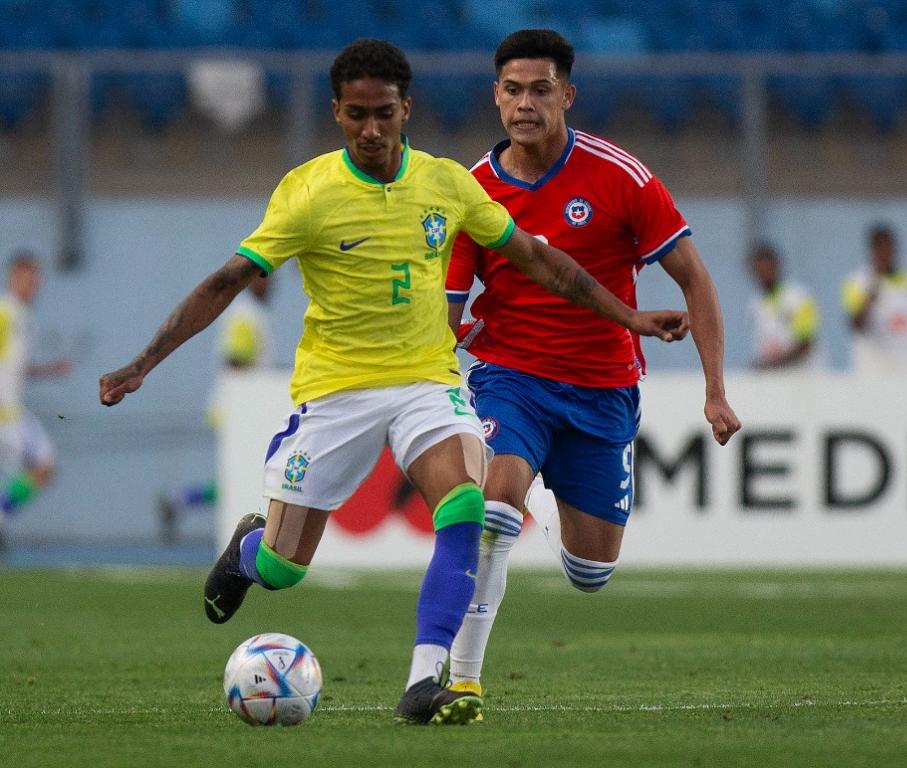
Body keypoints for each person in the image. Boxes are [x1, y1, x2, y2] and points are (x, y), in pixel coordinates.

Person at [98, 38, 687, 726]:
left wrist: (629, 316)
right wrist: (144, 361)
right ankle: (248, 554)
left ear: (406, 108)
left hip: (426, 385)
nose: (371, 130)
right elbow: (227, 281)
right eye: (357, 115)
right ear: (337, 113)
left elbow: (539, 259)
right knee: (286, 567)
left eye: (384, 113)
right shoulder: (307, 191)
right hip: (337, 392)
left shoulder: (446, 184)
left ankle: (423, 682)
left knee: (466, 506)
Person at [444, 29, 742, 702]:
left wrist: (715, 391)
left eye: (540, 90)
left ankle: (542, 494)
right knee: (493, 511)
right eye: (513, 90)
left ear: (568, 96)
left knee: (590, 572)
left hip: (602, 388)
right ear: (496, 97)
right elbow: (448, 306)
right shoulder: (472, 192)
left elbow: (694, 279)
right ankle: (462, 682)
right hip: (509, 377)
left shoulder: (621, 177)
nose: (526, 104)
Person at [156, 275, 274, 544]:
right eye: (263, 279)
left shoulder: (249, 313)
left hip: (238, 408)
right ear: (250, 282)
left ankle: (179, 500)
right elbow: (237, 362)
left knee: (241, 476)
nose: (269, 285)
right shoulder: (246, 315)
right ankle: (184, 502)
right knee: (244, 476)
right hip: (239, 411)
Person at [0, 251, 72, 552]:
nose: (34, 284)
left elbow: (13, 366)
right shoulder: (6, 312)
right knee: (44, 466)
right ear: (13, 277)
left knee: (44, 468)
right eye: (28, 278)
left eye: (37, 279)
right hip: (6, 412)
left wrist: (49, 369)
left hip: (12, 410)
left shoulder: (24, 316)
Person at [842, 224, 907, 374]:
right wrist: (872, 292)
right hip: (874, 373)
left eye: (889, 247)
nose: (885, 253)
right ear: (872, 250)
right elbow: (856, 325)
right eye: (880, 248)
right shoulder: (857, 283)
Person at [747, 243, 821, 370]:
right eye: (759, 271)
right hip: (775, 379)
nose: (763, 275)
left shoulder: (800, 298)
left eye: (767, 269)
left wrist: (773, 365)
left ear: (777, 266)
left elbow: (806, 344)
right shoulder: (755, 305)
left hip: (805, 376)